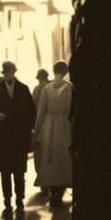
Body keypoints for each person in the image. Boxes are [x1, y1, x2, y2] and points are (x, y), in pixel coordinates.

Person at [0, 60, 36, 214]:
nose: (8, 74)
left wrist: (26, 128)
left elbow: (31, 112)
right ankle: (7, 199)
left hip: (18, 136)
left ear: (14, 72)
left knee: (19, 171)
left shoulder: (23, 89)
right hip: (3, 137)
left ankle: (19, 197)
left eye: (10, 72)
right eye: (6, 72)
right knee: (6, 171)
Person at [35, 61, 74, 203]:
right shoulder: (70, 87)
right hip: (65, 123)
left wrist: (37, 130)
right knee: (63, 157)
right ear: (66, 71)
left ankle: (53, 191)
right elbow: (72, 110)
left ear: (53, 71)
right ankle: (61, 190)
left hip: (49, 124)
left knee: (50, 156)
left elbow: (41, 112)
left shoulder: (47, 88)